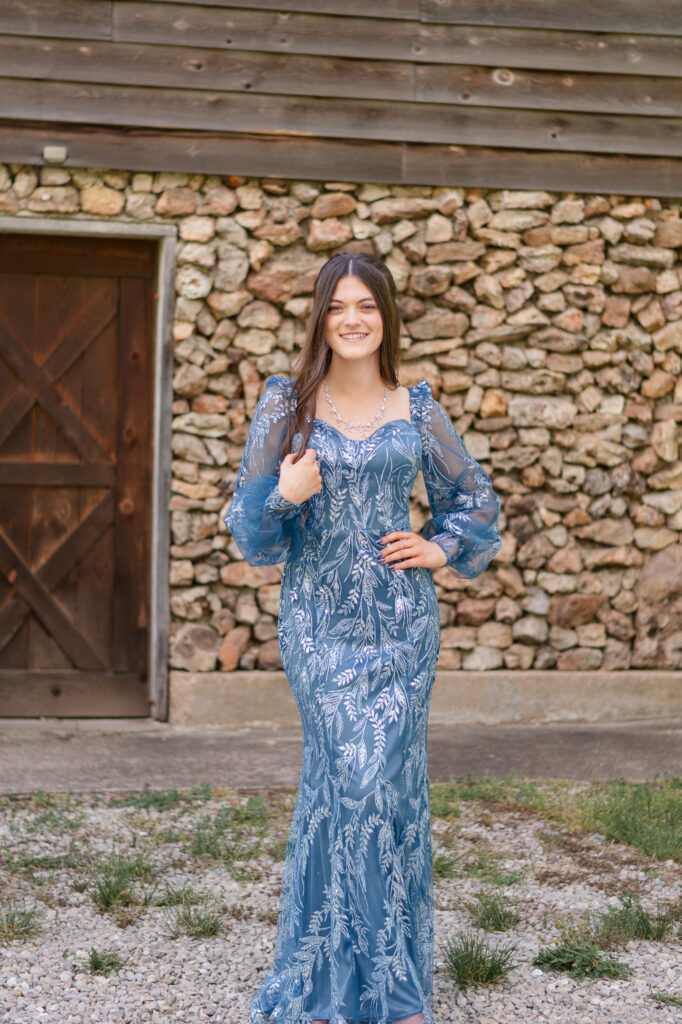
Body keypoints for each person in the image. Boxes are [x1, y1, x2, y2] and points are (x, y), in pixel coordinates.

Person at [223, 251, 501, 1024]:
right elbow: (249, 531)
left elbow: (473, 496)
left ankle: (387, 987)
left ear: (386, 319)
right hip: (319, 625)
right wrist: (285, 491)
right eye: (338, 305)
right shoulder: (288, 405)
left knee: (384, 790)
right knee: (354, 781)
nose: (352, 318)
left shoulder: (415, 407)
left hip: (403, 628)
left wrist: (441, 548)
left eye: (367, 306)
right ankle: (360, 984)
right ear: (319, 316)